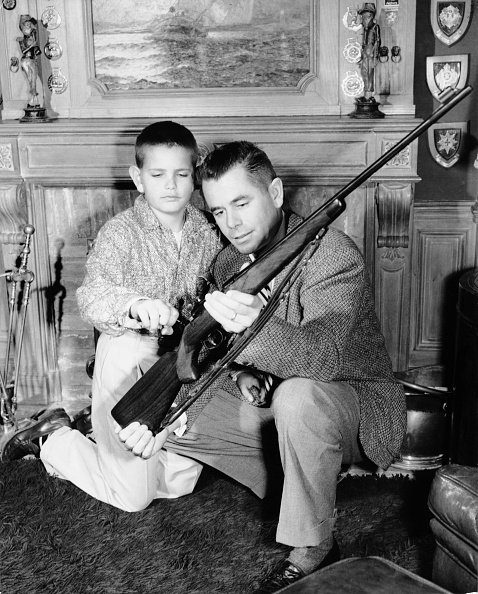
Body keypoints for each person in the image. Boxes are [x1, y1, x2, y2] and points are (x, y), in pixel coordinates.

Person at [118, 140, 406, 592]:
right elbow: (208, 353)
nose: (231, 223)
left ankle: (314, 547)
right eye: (216, 211)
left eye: (241, 202)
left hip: (349, 403)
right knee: (172, 411)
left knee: (297, 396)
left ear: (274, 192)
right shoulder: (228, 263)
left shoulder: (332, 254)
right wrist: (220, 383)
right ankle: (297, 482)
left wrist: (255, 326)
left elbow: (324, 358)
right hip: (273, 403)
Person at [0, 121, 223, 513]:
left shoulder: (207, 230)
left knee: (178, 483)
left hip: (180, 363)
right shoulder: (119, 233)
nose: (170, 185)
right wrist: (135, 305)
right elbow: (92, 296)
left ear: (195, 178)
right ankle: (53, 440)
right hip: (126, 355)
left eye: (182, 175)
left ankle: (97, 433)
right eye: (157, 175)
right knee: (135, 499)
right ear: (138, 179)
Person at [17, 14, 42, 107]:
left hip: (31, 60)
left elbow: (35, 39)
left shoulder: (31, 36)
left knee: (32, 81)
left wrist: (33, 45)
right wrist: (31, 46)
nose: (28, 26)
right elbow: (23, 50)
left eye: (29, 24)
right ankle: (33, 100)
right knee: (31, 80)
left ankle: (33, 101)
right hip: (26, 60)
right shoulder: (22, 41)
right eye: (26, 24)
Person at [358, 3, 381, 99]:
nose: (363, 19)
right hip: (365, 53)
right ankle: (366, 93)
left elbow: (378, 41)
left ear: (371, 16)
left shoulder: (375, 27)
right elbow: (364, 42)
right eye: (363, 17)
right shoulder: (365, 29)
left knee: (370, 73)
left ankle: (369, 94)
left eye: (366, 17)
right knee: (364, 72)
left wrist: (375, 55)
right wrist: (362, 55)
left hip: (371, 53)